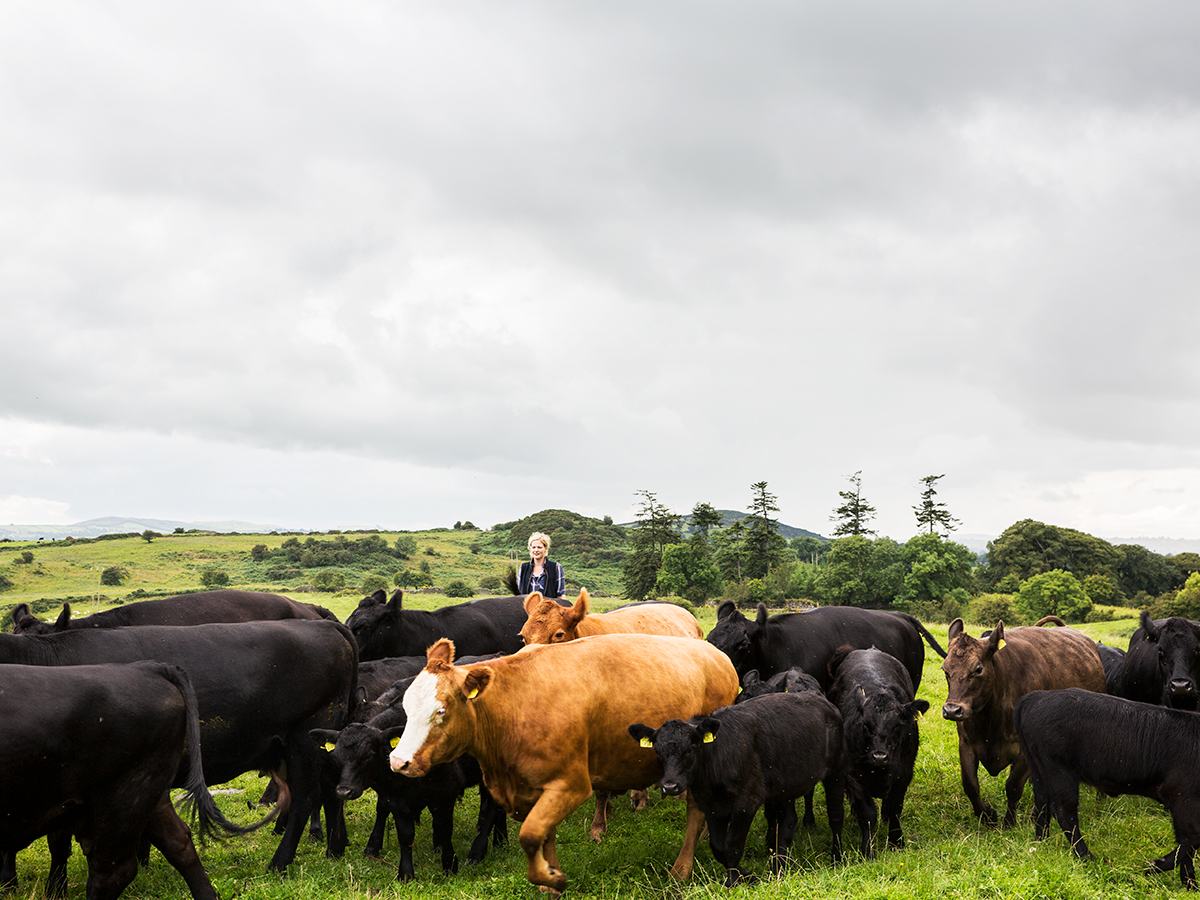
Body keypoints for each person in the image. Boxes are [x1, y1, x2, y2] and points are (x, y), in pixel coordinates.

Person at [517, 531, 566, 599]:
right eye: (533, 547)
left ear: (545, 548)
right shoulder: (523, 568)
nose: (536, 550)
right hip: (527, 608)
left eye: (539, 547)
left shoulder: (556, 567)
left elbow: (560, 595)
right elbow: (518, 595)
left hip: (549, 608)